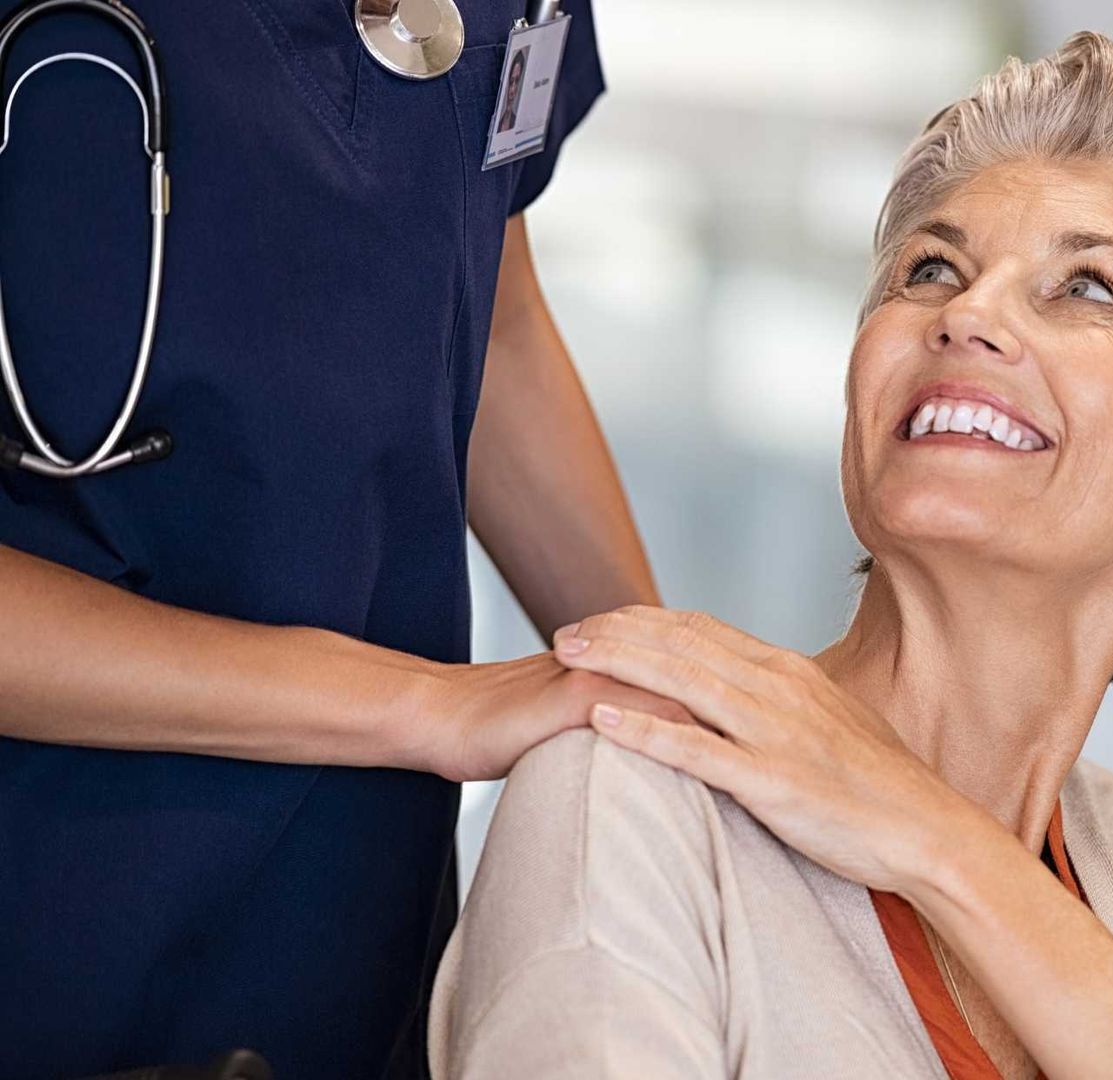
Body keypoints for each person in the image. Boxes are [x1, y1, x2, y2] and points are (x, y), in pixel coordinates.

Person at [431, 32, 1113, 1079]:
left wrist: (937, 843)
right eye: (931, 269)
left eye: (1088, 287)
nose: (967, 315)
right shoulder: (636, 791)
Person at [0, 2, 674, 1077]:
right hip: (57, 915)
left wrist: (668, 693)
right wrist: (423, 704)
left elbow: (490, 321)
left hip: (350, 920)